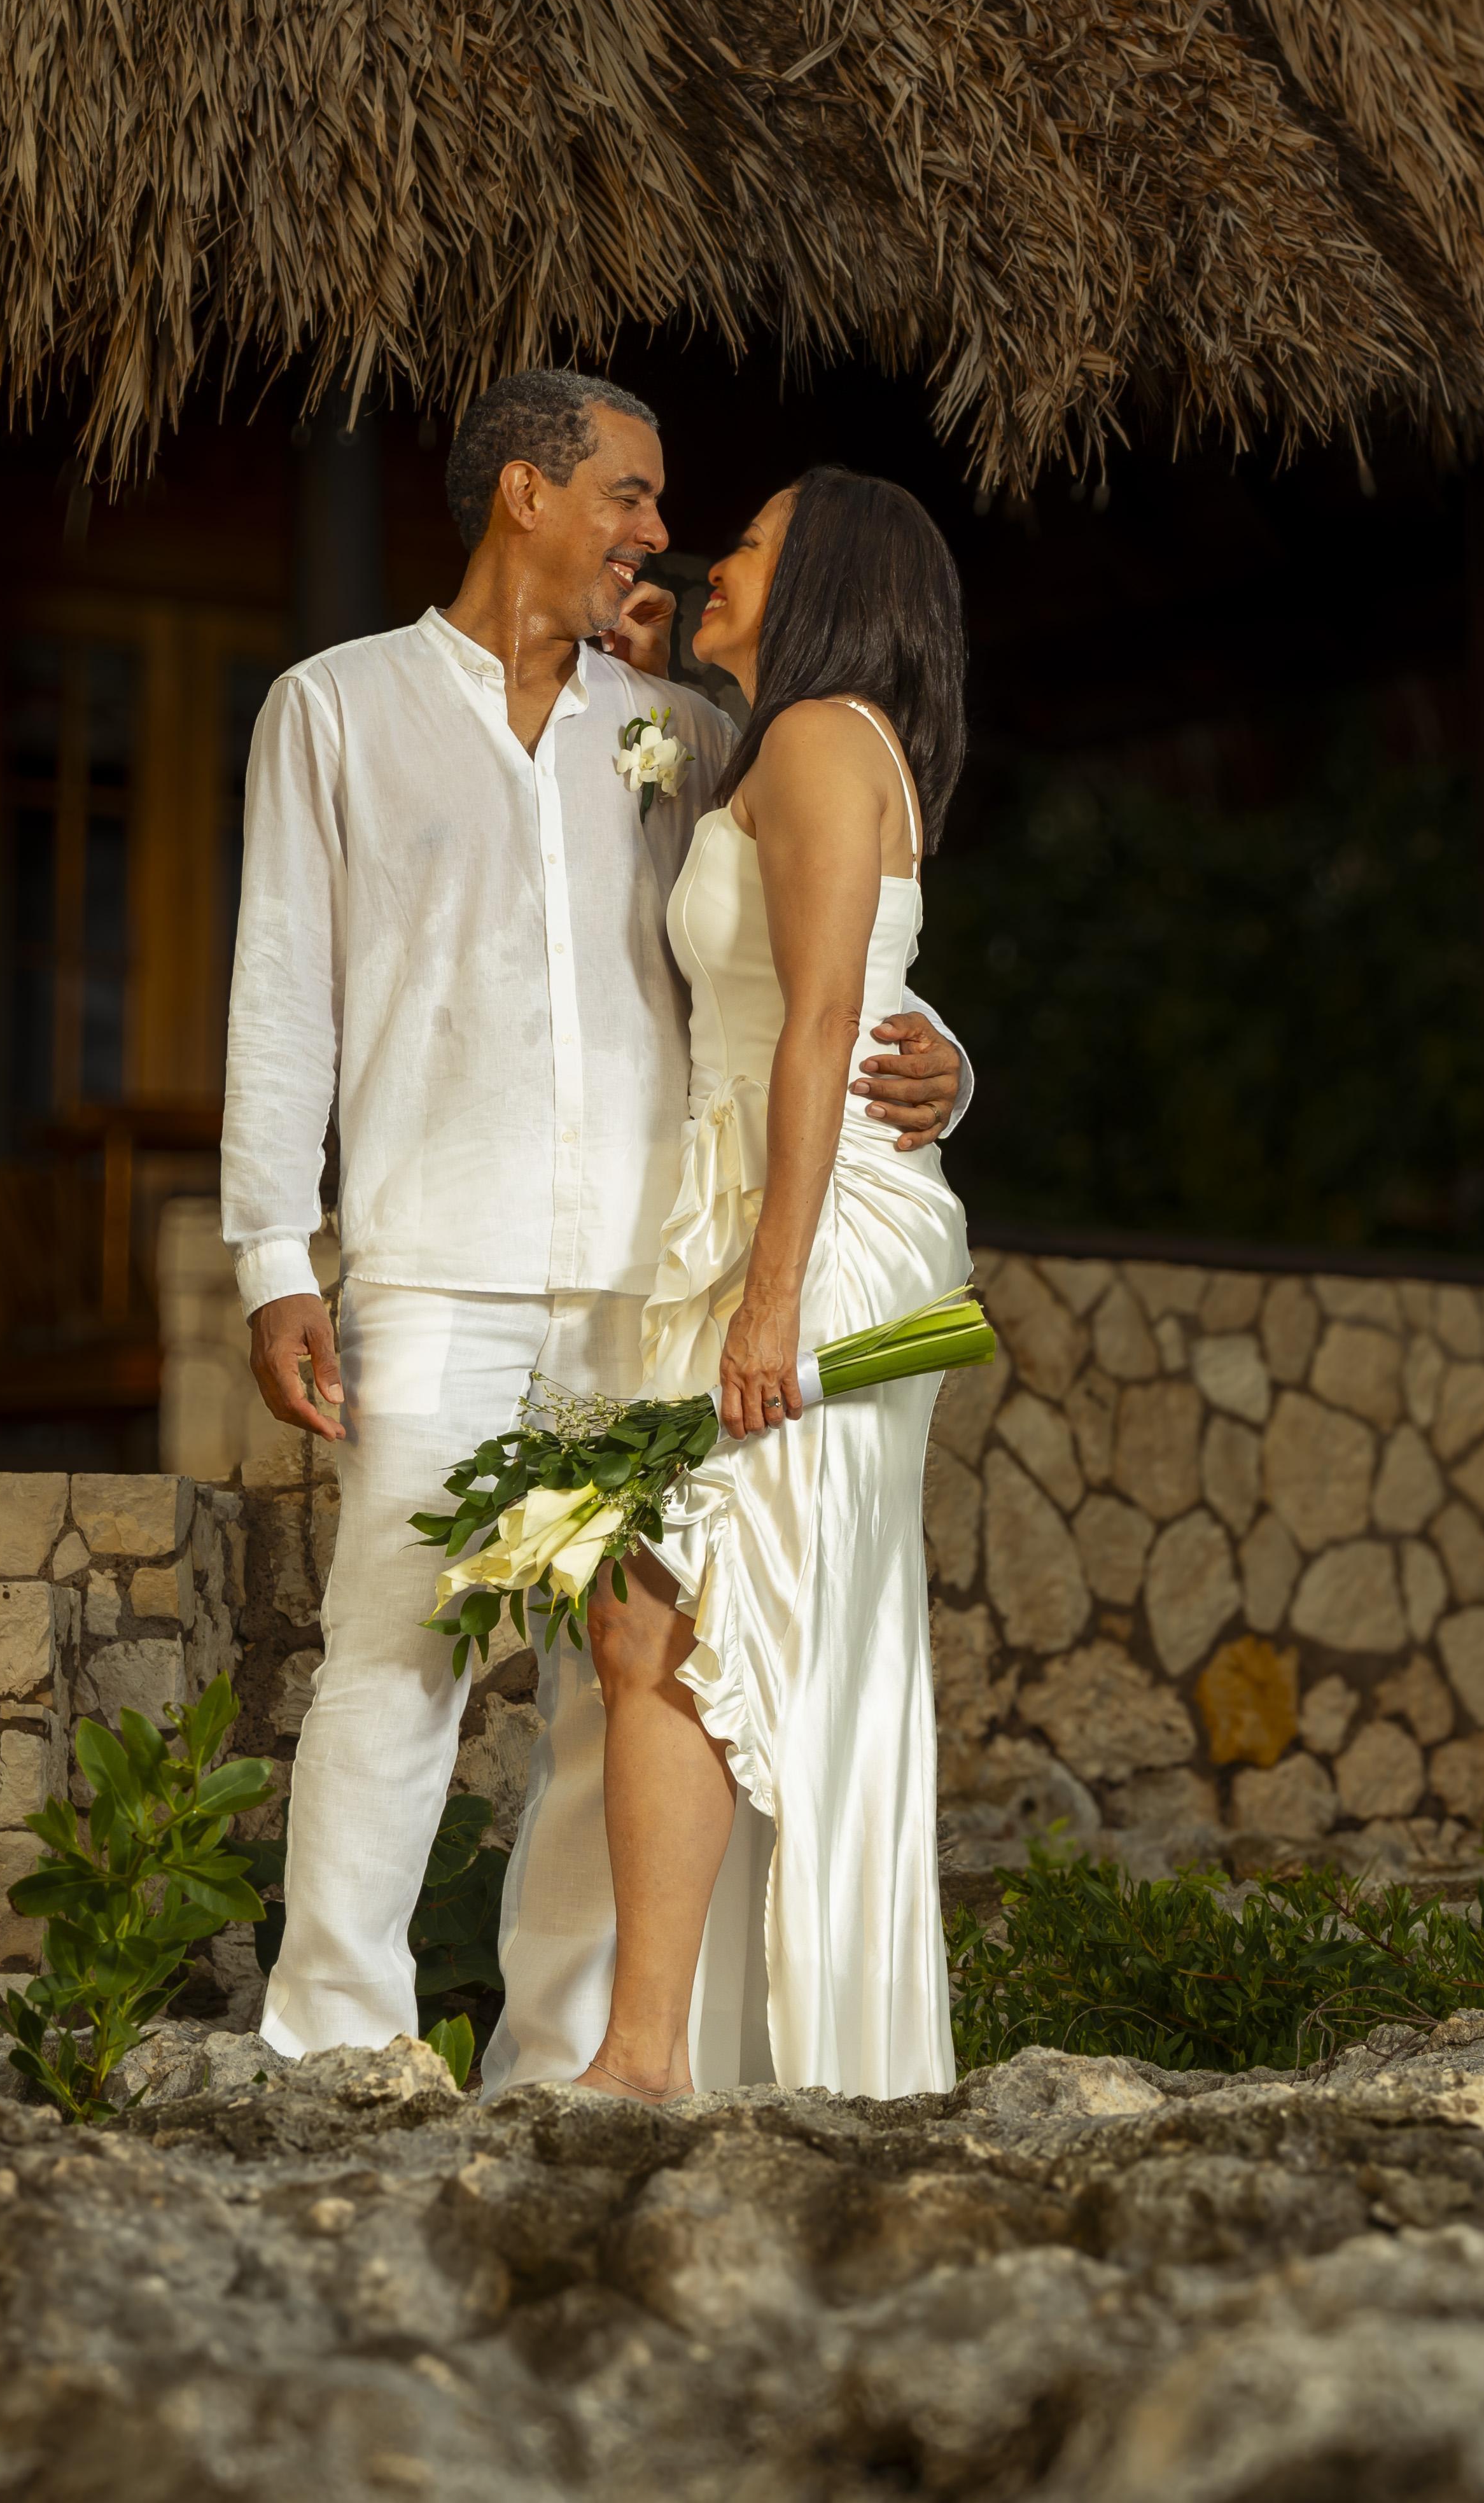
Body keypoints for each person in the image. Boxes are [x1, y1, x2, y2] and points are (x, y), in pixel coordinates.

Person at [221, 372, 969, 2086]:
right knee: (396, 1651)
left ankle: (565, 2066)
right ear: (526, 492)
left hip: (652, 1280)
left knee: (611, 1677)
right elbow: (280, 994)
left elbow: (814, 961)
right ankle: (335, 2046)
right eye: (630, 493)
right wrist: (273, 1253)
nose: (658, 530)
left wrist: (950, 1062)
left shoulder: (691, 735)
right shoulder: (334, 709)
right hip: (433, 1261)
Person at [570, 467, 973, 2101]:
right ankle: (663, 2048)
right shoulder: (782, 743)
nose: (709, 559)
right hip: (776, 1212)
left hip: (815, 1240)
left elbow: (824, 1021)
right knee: (668, 1614)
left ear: (824, 582)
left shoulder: (815, 739)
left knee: (674, 1601)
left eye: (746, 543)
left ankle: (653, 2053)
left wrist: (772, 1296)